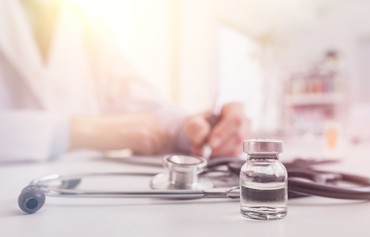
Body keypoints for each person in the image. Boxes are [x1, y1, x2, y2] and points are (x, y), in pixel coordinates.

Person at [0, 0, 249, 162]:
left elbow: (138, 101)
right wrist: (76, 132)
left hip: (82, 202)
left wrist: (190, 128)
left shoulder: (86, 21)